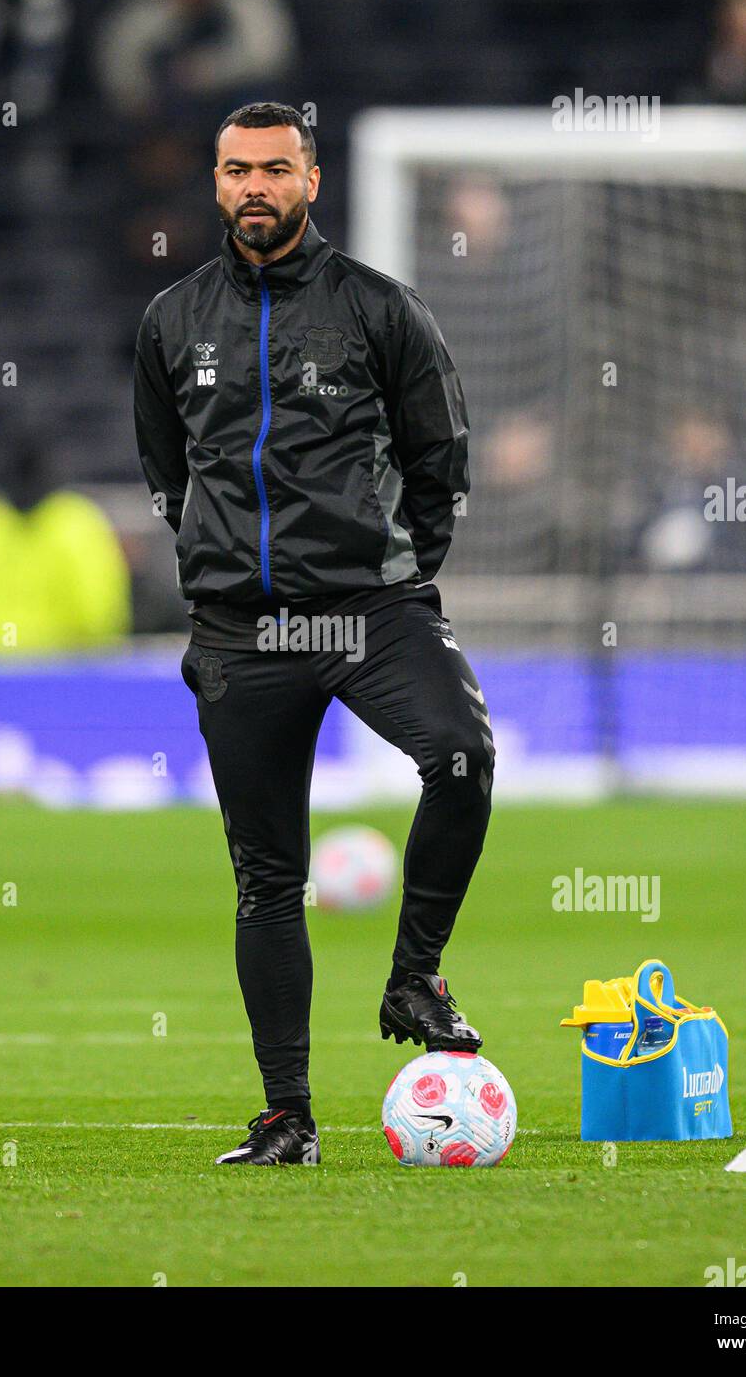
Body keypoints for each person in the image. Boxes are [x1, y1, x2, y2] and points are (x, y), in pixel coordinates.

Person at [133, 102, 494, 1166]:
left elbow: (441, 462)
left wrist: (389, 573)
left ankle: (415, 974)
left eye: (275, 170)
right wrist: (228, 574)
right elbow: (168, 471)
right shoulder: (171, 320)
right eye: (237, 169)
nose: (255, 186)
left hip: (367, 611)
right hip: (240, 634)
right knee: (265, 876)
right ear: (214, 182)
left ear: (312, 181)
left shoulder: (380, 310)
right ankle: (287, 1115)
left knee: (461, 752)